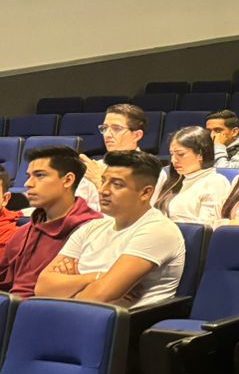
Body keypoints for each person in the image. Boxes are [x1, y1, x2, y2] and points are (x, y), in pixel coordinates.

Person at [36, 150, 186, 310]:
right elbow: (42, 287)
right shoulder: (91, 228)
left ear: (145, 193)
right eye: (103, 181)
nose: (103, 190)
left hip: (128, 322)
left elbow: (97, 297)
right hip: (74, 314)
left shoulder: (157, 230)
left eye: (117, 184)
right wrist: (96, 277)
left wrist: (69, 286)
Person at [0, 147, 100, 299]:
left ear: (68, 180)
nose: (28, 183)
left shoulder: (93, 231)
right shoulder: (23, 233)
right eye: (29, 176)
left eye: (40, 175)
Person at [152, 127, 230, 226]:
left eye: (180, 154)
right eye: (172, 154)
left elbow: (207, 226)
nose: (173, 160)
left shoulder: (215, 181)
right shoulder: (172, 179)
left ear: (200, 154)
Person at [76, 103, 148, 209]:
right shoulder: (95, 167)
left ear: (137, 135)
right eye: (105, 128)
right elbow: (77, 208)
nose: (107, 134)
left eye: (116, 128)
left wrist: (99, 180)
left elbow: (135, 211)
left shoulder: (149, 171)